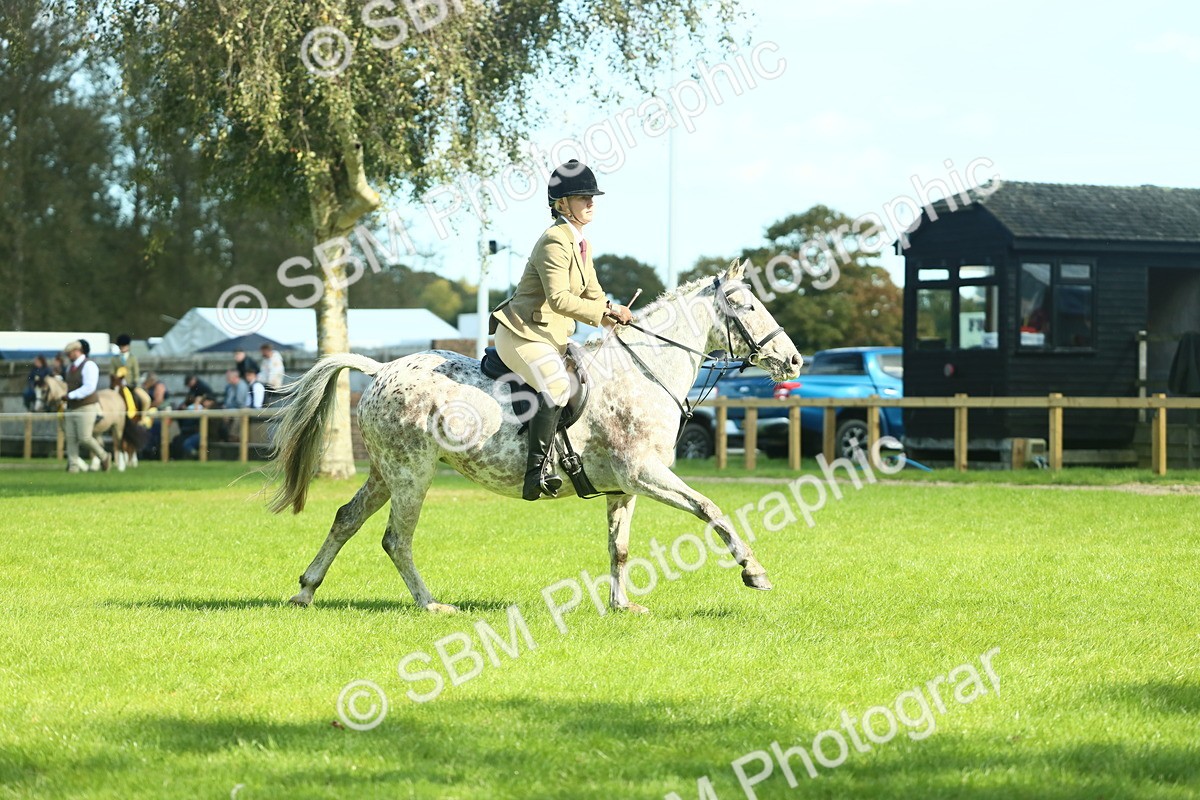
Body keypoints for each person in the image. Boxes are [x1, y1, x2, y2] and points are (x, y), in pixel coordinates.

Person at [488, 160, 632, 500]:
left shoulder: (582, 243)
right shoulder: (554, 240)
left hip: (552, 337)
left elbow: (593, 295)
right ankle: (535, 474)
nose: (591, 202)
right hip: (523, 334)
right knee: (556, 385)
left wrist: (618, 316)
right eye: (582, 197)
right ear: (561, 204)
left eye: (592, 196)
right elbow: (560, 299)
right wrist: (605, 311)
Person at [61, 340, 110, 472]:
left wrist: (71, 395)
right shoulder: (69, 368)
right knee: (70, 438)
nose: (68, 356)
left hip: (86, 406)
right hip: (72, 407)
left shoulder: (89, 365)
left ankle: (104, 456)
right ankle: (73, 466)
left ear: (78, 351)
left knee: (85, 437)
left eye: (70, 353)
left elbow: (89, 387)